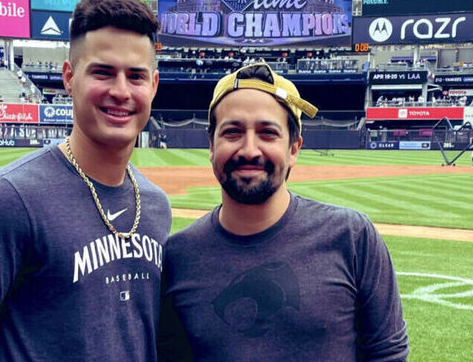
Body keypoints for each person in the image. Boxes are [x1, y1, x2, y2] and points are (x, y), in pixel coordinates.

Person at [0, 0, 172, 361]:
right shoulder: (7, 198)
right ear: (69, 78)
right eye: (103, 72)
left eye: (135, 76)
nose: (121, 91)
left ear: (152, 85)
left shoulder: (156, 205)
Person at [158, 63, 409, 361]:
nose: (249, 149)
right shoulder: (177, 255)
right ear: (211, 145)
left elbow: (388, 354)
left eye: (267, 133)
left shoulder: (352, 236)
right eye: (233, 132)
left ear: (293, 148)